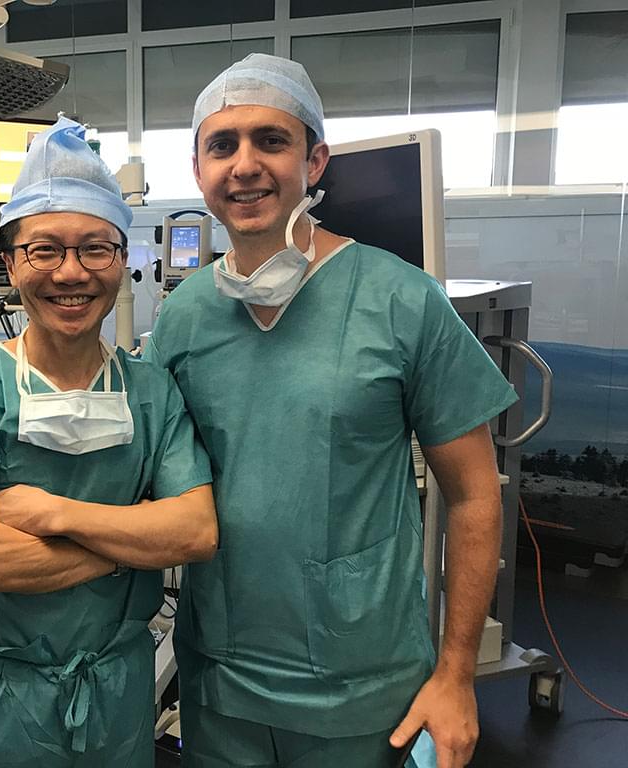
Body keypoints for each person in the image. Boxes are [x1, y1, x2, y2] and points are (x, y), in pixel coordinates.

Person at [143, 53, 518, 768]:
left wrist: (456, 674)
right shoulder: (184, 317)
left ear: (313, 161)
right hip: (221, 678)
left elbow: (474, 495)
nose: (244, 165)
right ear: (198, 171)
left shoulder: (402, 300)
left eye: (270, 141)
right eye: (222, 145)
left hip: (361, 684)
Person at [0, 116, 217, 768]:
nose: (71, 272)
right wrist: (130, 547)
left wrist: (57, 515)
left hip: (114, 701)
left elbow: (195, 531)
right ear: (11, 264)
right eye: (44, 251)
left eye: (96, 249)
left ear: (122, 261)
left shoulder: (152, 393)